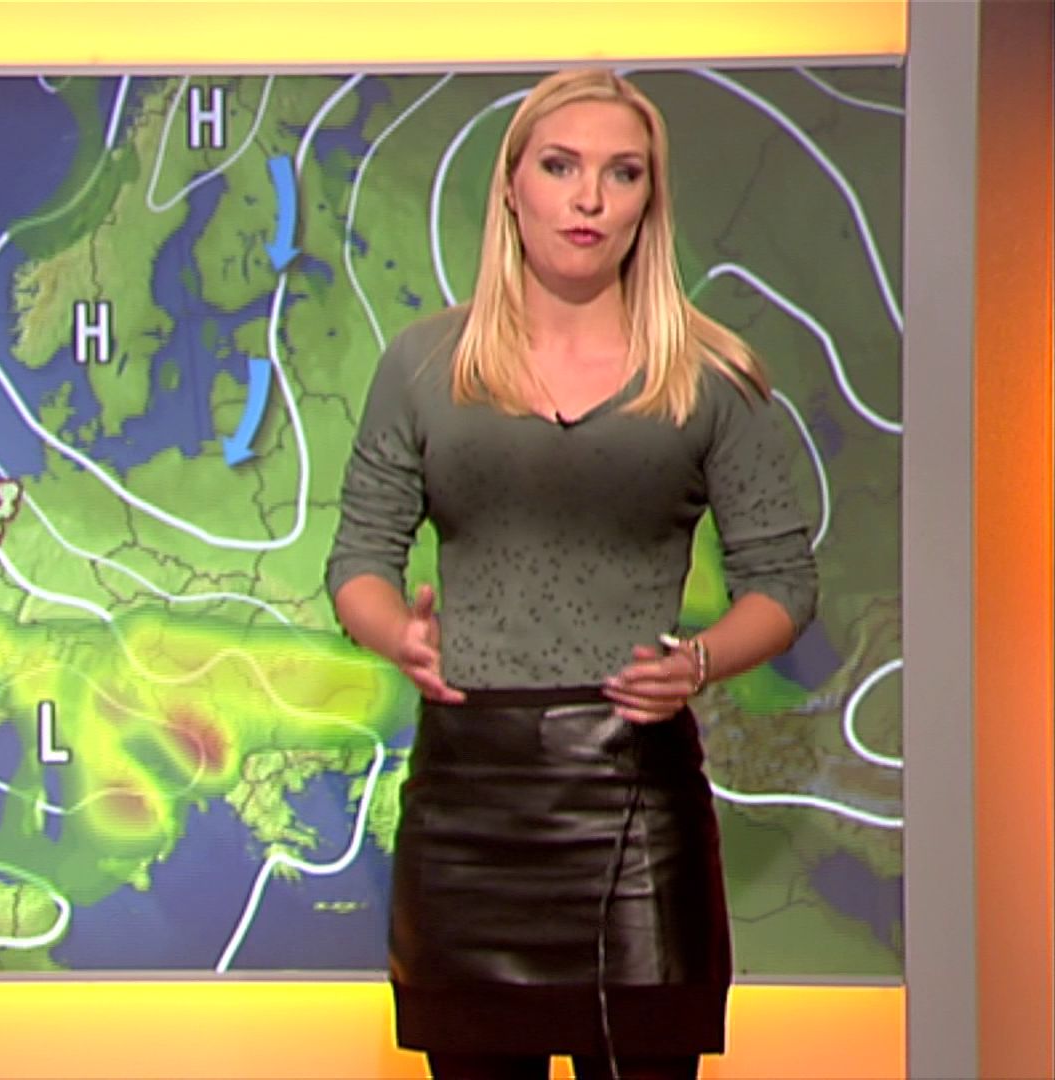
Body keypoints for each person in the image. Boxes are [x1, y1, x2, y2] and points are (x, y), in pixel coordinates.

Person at [325, 68, 819, 1080]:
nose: (589, 198)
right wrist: (397, 634)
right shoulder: (423, 366)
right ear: (512, 187)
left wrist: (697, 663)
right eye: (560, 167)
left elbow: (783, 583)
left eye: (621, 173)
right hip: (467, 809)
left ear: (649, 199)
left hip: (635, 807)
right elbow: (359, 561)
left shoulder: (710, 377)